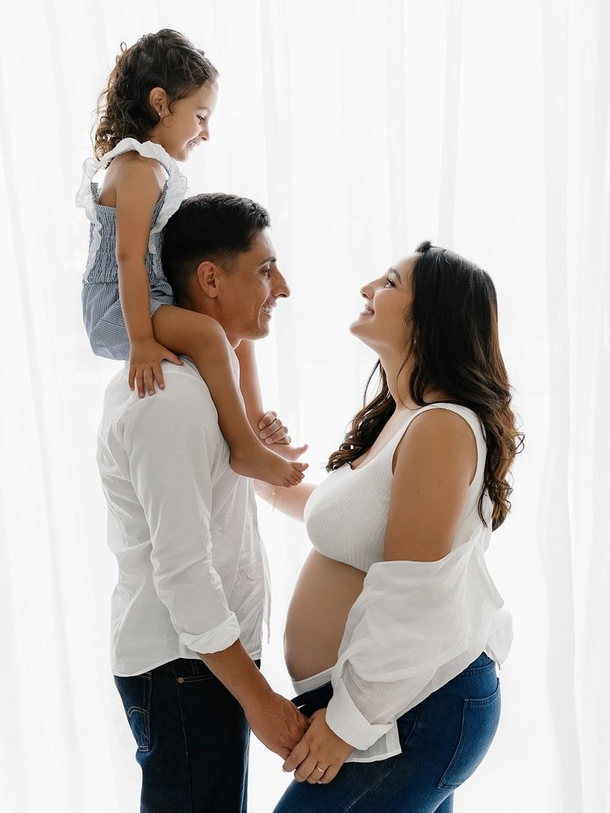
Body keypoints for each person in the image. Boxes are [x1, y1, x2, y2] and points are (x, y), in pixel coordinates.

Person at [256, 242, 523, 812]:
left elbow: (412, 597)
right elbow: (347, 522)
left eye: (390, 283)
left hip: (413, 707)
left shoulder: (441, 427)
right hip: (394, 700)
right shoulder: (405, 416)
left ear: (432, 318)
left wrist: (347, 723)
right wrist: (264, 470)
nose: (367, 290)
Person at [97, 192, 309, 812]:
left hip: (200, 664)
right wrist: (259, 699)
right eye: (265, 270)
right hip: (185, 667)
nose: (283, 288)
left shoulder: (202, 387)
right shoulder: (169, 398)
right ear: (210, 279)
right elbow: (183, 571)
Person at [77, 28, 305, 487]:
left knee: (235, 327)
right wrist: (142, 341)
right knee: (208, 333)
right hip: (116, 307)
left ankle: (254, 425)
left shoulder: (154, 168)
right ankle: (245, 449)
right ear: (161, 104)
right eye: (200, 117)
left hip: (148, 295)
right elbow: (127, 259)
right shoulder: (137, 169)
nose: (206, 132)